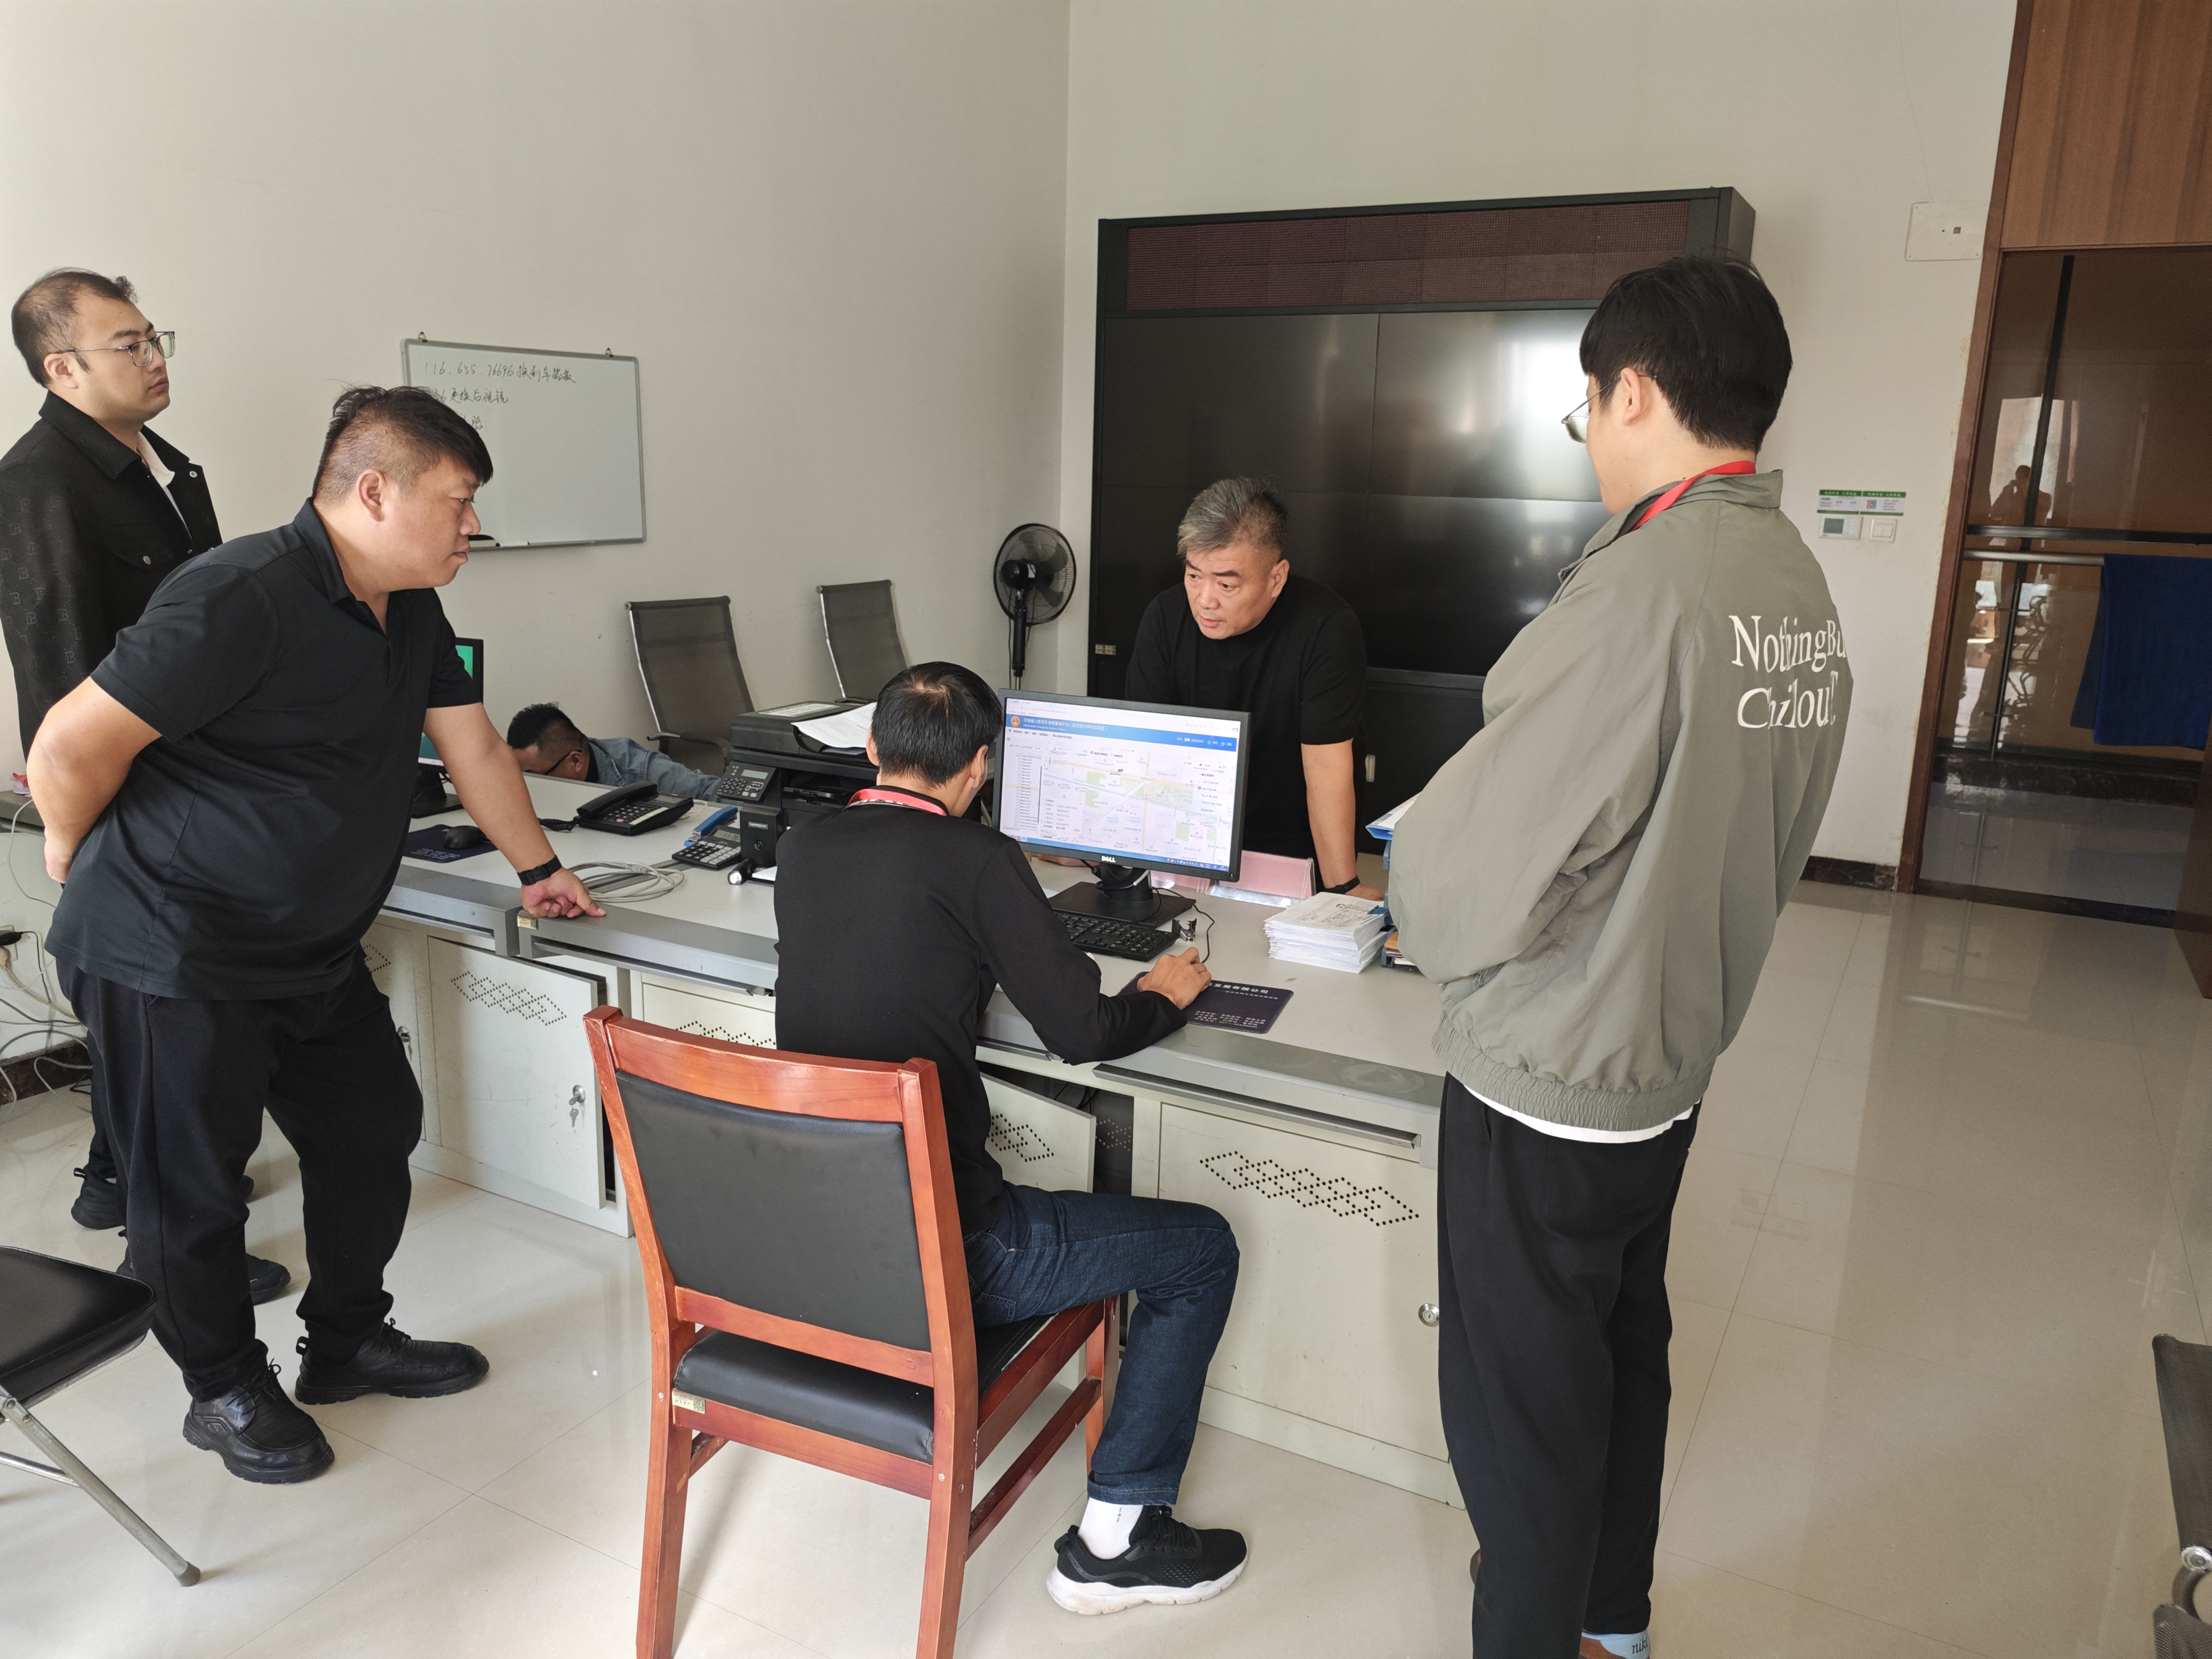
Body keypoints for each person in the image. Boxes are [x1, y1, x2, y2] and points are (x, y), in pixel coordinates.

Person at [1388, 255, 1850, 1659]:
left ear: (1633, 392)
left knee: (1520, 1420)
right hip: (1665, 1059)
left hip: (1552, 1069)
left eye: (1586, 404)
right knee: (1617, 1354)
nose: (1587, 434)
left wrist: (1411, 896)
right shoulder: (1789, 581)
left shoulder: (1643, 590)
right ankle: (1612, 1624)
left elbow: (1480, 866)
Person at [27, 386, 606, 1485]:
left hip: (309, 950)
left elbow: (475, 747)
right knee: (191, 1191)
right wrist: (70, 851)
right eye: (459, 501)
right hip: (177, 948)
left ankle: (345, 1342)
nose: (473, 525)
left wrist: (539, 869)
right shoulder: (242, 592)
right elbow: (67, 745)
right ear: (374, 492)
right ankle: (222, 1387)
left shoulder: (409, 605)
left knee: (372, 1128)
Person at [773, 661, 1250, 1616]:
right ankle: (1117, 1540)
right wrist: (1164, 992)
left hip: (818, 1250)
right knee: (1202, 1249)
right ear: (981, 767)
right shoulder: (980, 861)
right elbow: (1084, 1031)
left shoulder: (804, 843)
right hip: (956, 1258)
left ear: (870, 748)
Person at [0, 268, 284, 1292]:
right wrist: (77, 828)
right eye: (129, 345)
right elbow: (61, 676)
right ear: (61, 369)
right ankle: (176, 1264)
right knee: (168, 1034)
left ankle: (113, 1179)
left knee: (164, 1030)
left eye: (155, 337)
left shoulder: (161, 464)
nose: (155, 357)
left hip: (197, 780)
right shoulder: (37, 484)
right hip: (137, 802)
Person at [1123, 478, 1376, 896]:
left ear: (1276, 578)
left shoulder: (1325, 627)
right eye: (1193, 575)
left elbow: (1326, 766)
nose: (1205, 599)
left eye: (1226, 585)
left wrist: (1342, 888)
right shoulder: (1165, 617)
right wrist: (1108, 847)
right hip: (1187, 839)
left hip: (1290, 846)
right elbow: (1146, 749)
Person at [506, 701, 721, 799]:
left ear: (576, 761)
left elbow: (713, 793)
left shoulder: (642, 771)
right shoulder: (530, 778)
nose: (526, 782)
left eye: (534, 775)